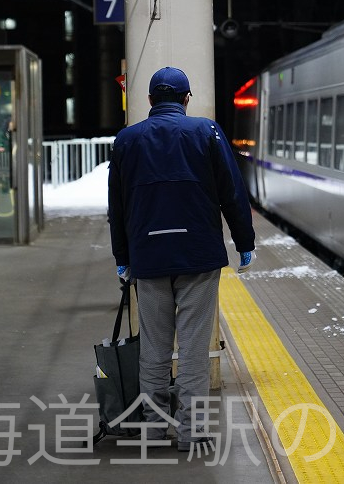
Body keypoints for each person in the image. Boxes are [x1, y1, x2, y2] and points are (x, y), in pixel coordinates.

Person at [107, 66, 255, 452]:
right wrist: (244, 242)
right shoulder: (206, 132)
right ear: (186, 99)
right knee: (191, 350)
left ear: (151, 101)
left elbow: (117, 207)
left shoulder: (127, 140)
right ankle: (191, 433)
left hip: (149, 259)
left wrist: (123, 256)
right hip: (198, 257)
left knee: (154, 349)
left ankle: (154, 430)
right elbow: (232, 193)